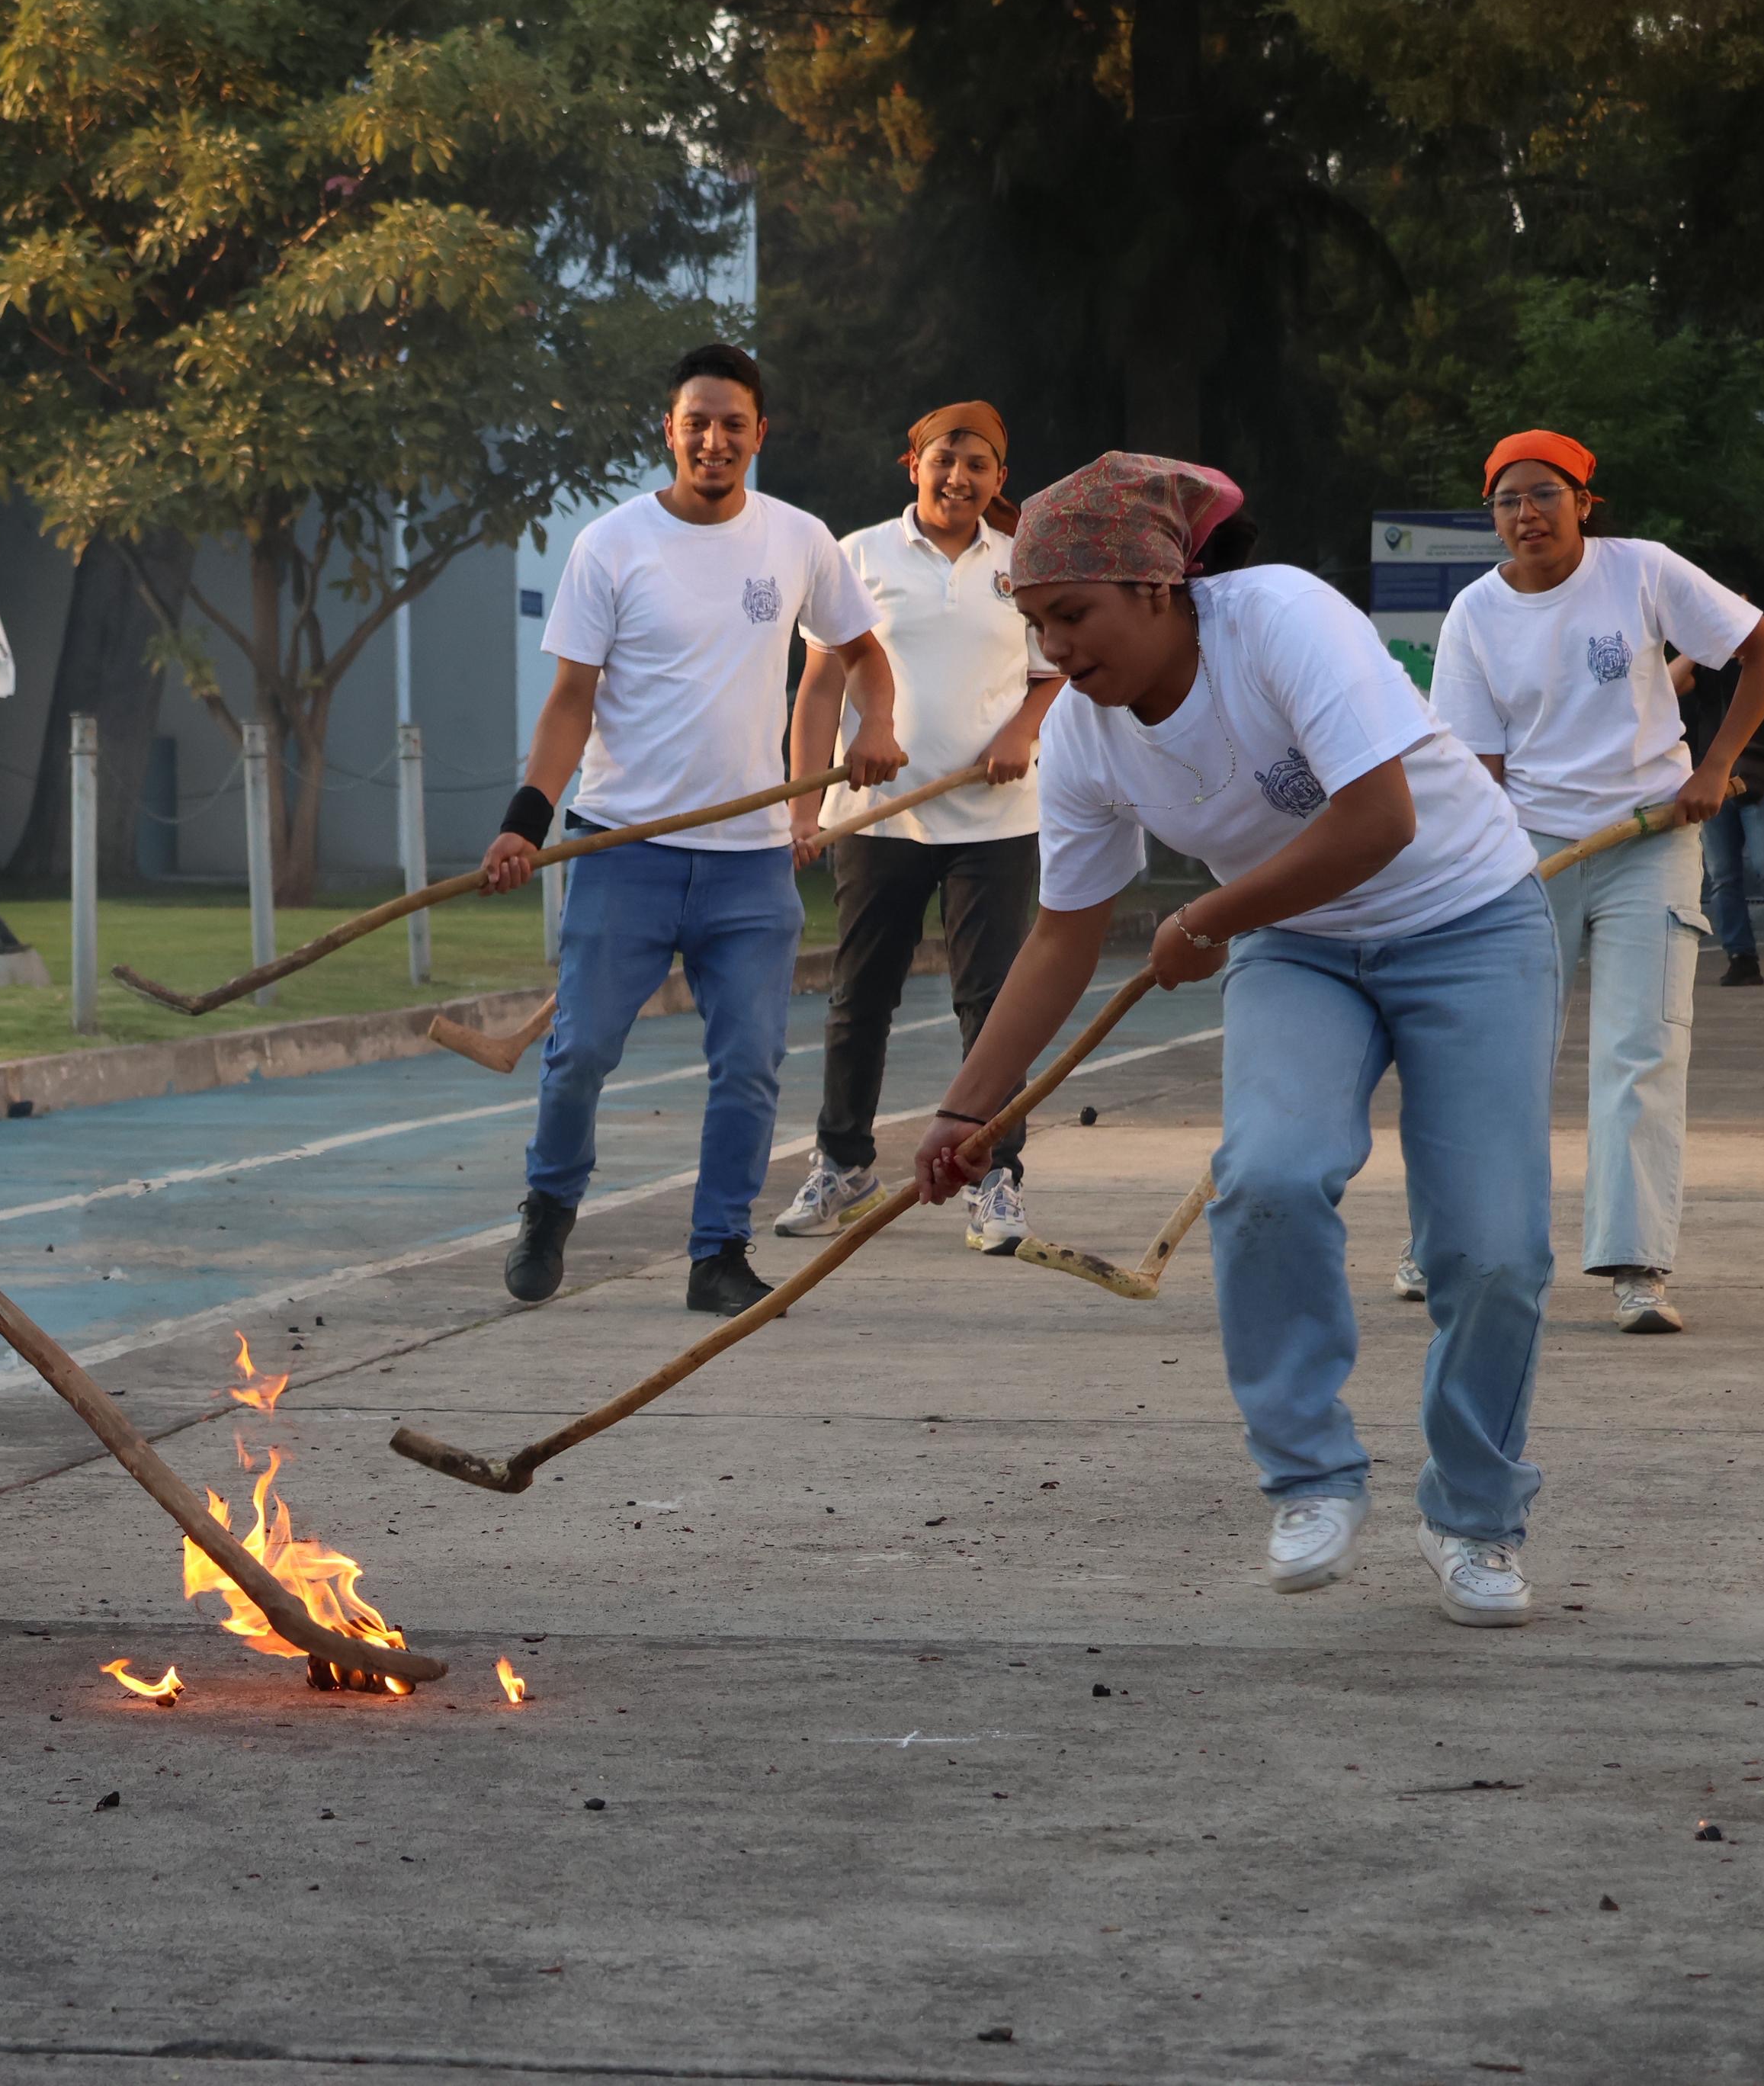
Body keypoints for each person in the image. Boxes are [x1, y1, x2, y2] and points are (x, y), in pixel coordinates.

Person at [914, 452, 1561, 1627]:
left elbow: (1381, 819)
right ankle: (1311, 1476)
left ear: (1159, 587)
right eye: (1038, 625)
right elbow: (1064, 937)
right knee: (1266, 1176)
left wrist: (1209, 911)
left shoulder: (1282, 621)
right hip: (1298, 950)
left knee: (1491, 1247)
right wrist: (970, 1109)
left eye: (1075, 616)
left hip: (1466, 922)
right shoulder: (1088, 737)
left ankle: (1476, 1515)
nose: (1058, 652)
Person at [481, 342, 901, 1317]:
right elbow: (568, 703)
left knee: (750, 1062)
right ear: (667, 431)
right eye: (696, 421)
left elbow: (862, 657)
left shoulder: (799, 540)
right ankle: (548, 1204)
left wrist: (875, 725)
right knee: (580, 1049)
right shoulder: (610, 545)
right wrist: (523, 823)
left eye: (732, 423)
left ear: (760, 433)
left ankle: (717, 1250)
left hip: (748, 861)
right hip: (620, 846)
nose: (714, 439)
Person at [1426, 430, 1764, 1334]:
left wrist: (1711, 768)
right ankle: (1453, 1240)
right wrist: (1487, 863)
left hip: (1650, 836)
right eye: (1506, 500)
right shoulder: (1472, 613)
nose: (1525, 514)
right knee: (1498, 1056)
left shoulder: (1641, 571)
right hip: (1529, 850)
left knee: (1641, 1047)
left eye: (1543, 494)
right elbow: (1474, 765)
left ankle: (1636, 1265)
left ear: (1583, 501)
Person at [777, 400, 1063, 1256]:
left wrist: (1020, 729)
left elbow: (1052, 673)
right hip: (875, 820)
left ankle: (995, 1176)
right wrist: (802, 807)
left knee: (992, 1000)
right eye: (944, 458)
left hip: (996, 819)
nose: (958, 477)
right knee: (858, 996)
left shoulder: (1023, 565)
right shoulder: (854, 556)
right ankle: (843, 1162)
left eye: (977, 464)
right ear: (912, 463)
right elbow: (819, 690)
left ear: (998, 480)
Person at [1674, 631, 1764, 985]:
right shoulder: (1708, 671)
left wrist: (1751, 657)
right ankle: (1741, 956)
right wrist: (1699, 647)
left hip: (1761, 777)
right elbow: (1671, 682)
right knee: (1722, 875)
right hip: (1711, 783)